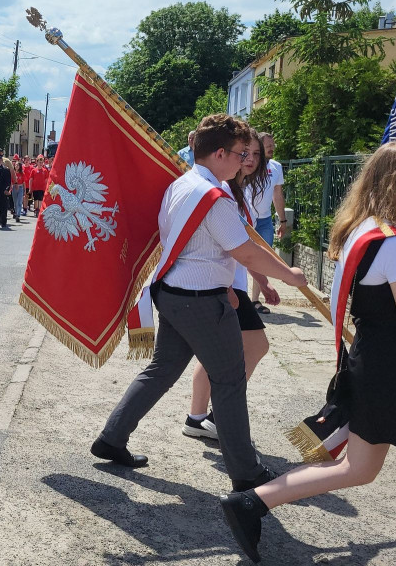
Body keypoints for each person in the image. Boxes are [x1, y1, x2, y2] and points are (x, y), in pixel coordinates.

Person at [90, 114, 308, 494]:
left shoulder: (183, 184)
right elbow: (246, 252)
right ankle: (246, 472)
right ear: (219, 153)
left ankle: (112, 438)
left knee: (160, 371)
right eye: (241, 153)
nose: (245, 160)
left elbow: (202, 249)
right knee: (229, 380)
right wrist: (289, 276)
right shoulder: (215, 197)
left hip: (177, 293)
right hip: (199, 301)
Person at [220, 142, 396, 564]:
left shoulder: (362, 232)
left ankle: (252, 501)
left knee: (357, 469)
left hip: (372, 368)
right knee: (358, 469)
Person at [183, 128, 277, 440]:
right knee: (254, 346)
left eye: (255, 154)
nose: (249, 159)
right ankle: (215, 416)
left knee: (213, 356)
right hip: (226, 286)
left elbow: (245, 245)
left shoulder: (238, 191)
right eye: (244, 153)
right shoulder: (221, 189)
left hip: (230, 282)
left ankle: (197, 418)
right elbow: (231, 246)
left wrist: (262, 283)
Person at [249, 132, 288, 313]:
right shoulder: (248, 165)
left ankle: (255, 301)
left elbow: (277, 194)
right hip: (246, 219)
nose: (272, 147)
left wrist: (282, 220)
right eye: (268, 144)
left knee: (262, 260)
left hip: (264, 220)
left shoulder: (276, 167)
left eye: (273, 144)